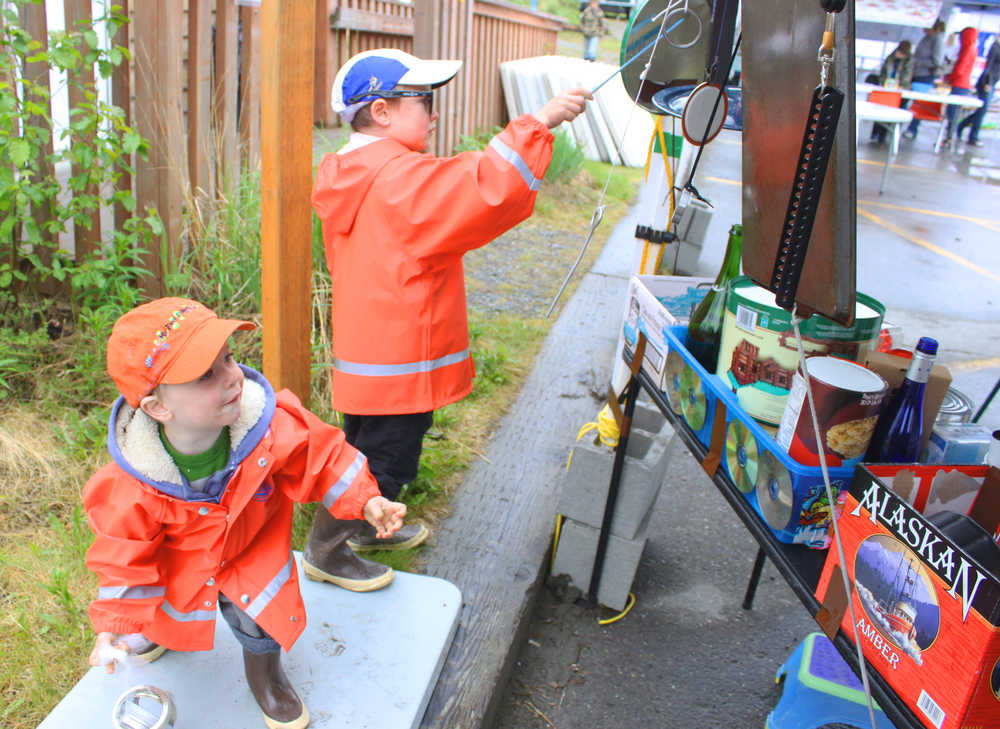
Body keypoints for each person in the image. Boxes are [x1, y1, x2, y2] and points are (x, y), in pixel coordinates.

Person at [307, 49, 590, 593]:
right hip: (400, 356)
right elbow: (483, 187)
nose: (434, 113)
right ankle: (327, 550)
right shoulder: (398, 180)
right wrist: (541, 122)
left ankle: (367, 527)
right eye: (425, 101)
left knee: (363, 444)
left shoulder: (350, 169)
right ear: (383, 112)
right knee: (386, 460)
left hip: (368, 351)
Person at [83, 298, 407, 729]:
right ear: (159, 408)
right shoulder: (134, 482)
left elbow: (322, 455)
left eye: (229, 358)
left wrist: (368, 499)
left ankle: (265, 676)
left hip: (252, 553)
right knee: (161, 610)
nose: (232, 377)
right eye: (205, 375)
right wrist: (116, 621)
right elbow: (123, 554)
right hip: (182, 567)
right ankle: (150, 635)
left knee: (261, 623)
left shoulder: (266, 428)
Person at [904, 21, 946, 139]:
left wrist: (919, 62)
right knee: (907, 100)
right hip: (916, 73)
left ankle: (912, 129)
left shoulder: (938, 40)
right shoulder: (926, 38)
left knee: (919, 103)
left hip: (925, 75)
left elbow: (937, 62)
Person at [957, 35, 1000, 147]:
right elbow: (988, 67)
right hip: (986, 82)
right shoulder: (995, 47)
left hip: (993, 82)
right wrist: (987, 83)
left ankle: (962, 126)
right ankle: (973, 136)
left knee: (982, 110)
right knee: (982, 110)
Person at [942, 26, 979, 147]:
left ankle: (949, 138)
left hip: (959, 83)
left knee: (952, 112)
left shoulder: (968, 49)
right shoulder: (972, 48)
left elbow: (959, 69)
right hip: (963, 84)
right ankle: (949, 136)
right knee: (954, 111)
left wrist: (949, 78)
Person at [871, 41, 912, 144]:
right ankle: (876, 133)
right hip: (886, 87)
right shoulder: (890, 58)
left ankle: (883, 135)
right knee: (879, 110)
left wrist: (901, 84)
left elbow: (907, 76)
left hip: (900, 89)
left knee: (891, 113)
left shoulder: (909, 62)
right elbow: (883, 72)